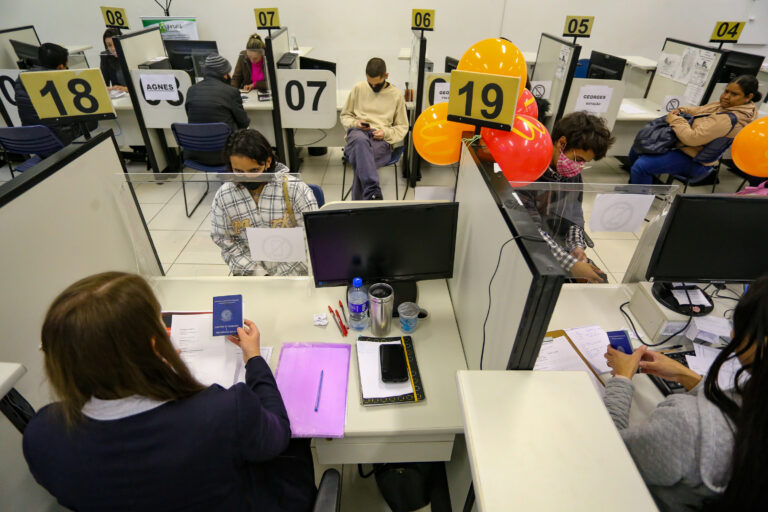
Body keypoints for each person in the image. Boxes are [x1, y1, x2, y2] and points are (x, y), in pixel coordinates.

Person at [22, 271, 316, 512]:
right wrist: (254, 360)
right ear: (153, 346)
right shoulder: (223, 411)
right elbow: (277, 433)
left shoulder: (40, 436)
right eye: (160, 326)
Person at [603, 276, 768, 510]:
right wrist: (686, 376)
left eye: (739, 327)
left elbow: (609, 452)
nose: (732, 336)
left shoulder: (688, 424)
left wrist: (621, 379)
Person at [519, 112, 614, 283]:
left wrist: (576, 247)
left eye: (584, 162)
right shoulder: (526, 173)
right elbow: (530, 229)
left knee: (598, 282)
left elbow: (574, 215)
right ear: (561, 143)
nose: (578, 167)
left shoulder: (572, 176)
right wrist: (571, 265)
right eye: (578, 159)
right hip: (529, 250)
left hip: (558, 249)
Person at [211, 129, 318, 276]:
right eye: (239, 171)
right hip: (251, 276)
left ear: (268, 162)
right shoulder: (224, 196)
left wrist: (281, 278)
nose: (247, 177)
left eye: (254, 170)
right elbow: (226, 242)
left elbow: (311, 241)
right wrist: (257, 273)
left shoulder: (296, 190)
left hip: (294, 276)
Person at [629, 75, 761, 185]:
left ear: (748, 97)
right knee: (638, 146)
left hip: (694, 159)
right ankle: (639, 187)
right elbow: (700, 110)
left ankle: (638, 203)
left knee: (641, 166)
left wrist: (674, 119)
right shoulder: (726, 105)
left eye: (734, 94)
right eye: (726, 91)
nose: (726, 96)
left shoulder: (729, 118)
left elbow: (692, 139)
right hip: (683, 147)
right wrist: (682, 110)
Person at [340, 57, 408, 200]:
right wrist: (356, 123)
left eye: (377, 85)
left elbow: (402, 127)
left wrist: (385, 133)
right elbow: (345, 116)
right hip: (358, 133)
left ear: (386, 76)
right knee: (360, 142)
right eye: (370, 84)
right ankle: (372, 192)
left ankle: (357, 209)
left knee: (362, 159)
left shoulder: (396, 95)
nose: (373, 88)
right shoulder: (359, 88)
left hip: (380, 139)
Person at [14, 43, 89, 145]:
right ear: (61, 66)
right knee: (92, 120)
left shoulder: (21, 78)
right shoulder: (58, 81)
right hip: (61, 142)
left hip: (35, 141)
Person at [184, 53, 250, 166]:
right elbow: (244, 122)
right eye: (229, 72)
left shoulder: (191, 90)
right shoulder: (231, 92)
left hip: (195, 154)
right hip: (226, 154)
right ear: (224, 75)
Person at [100, 28, 127, 92]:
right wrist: (106, 88)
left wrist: (127, 89)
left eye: (115, 44)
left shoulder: (133, 55)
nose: (113, 48)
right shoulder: (106, 57)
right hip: (121, 97)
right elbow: (103, 82)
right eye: (109, 45)